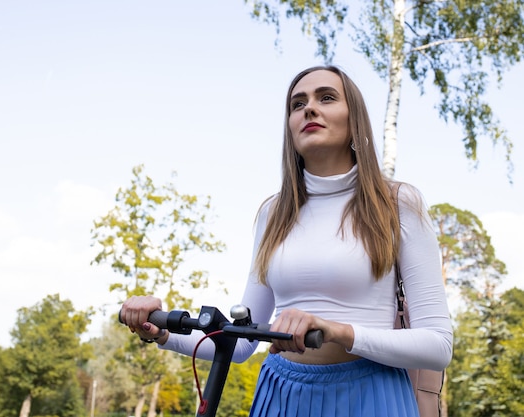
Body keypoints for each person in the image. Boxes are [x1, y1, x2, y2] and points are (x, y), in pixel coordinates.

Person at [120, 65, 453, 417]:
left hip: (370, 394)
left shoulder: (398, 204)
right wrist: (159, 332)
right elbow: (242, 342)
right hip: (280, 394)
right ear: (290, 128)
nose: (309, 108)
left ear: (354, 119)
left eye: (326, 98)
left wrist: (335, 330)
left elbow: (438, 345)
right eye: (297, 104)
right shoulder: (273, 213)